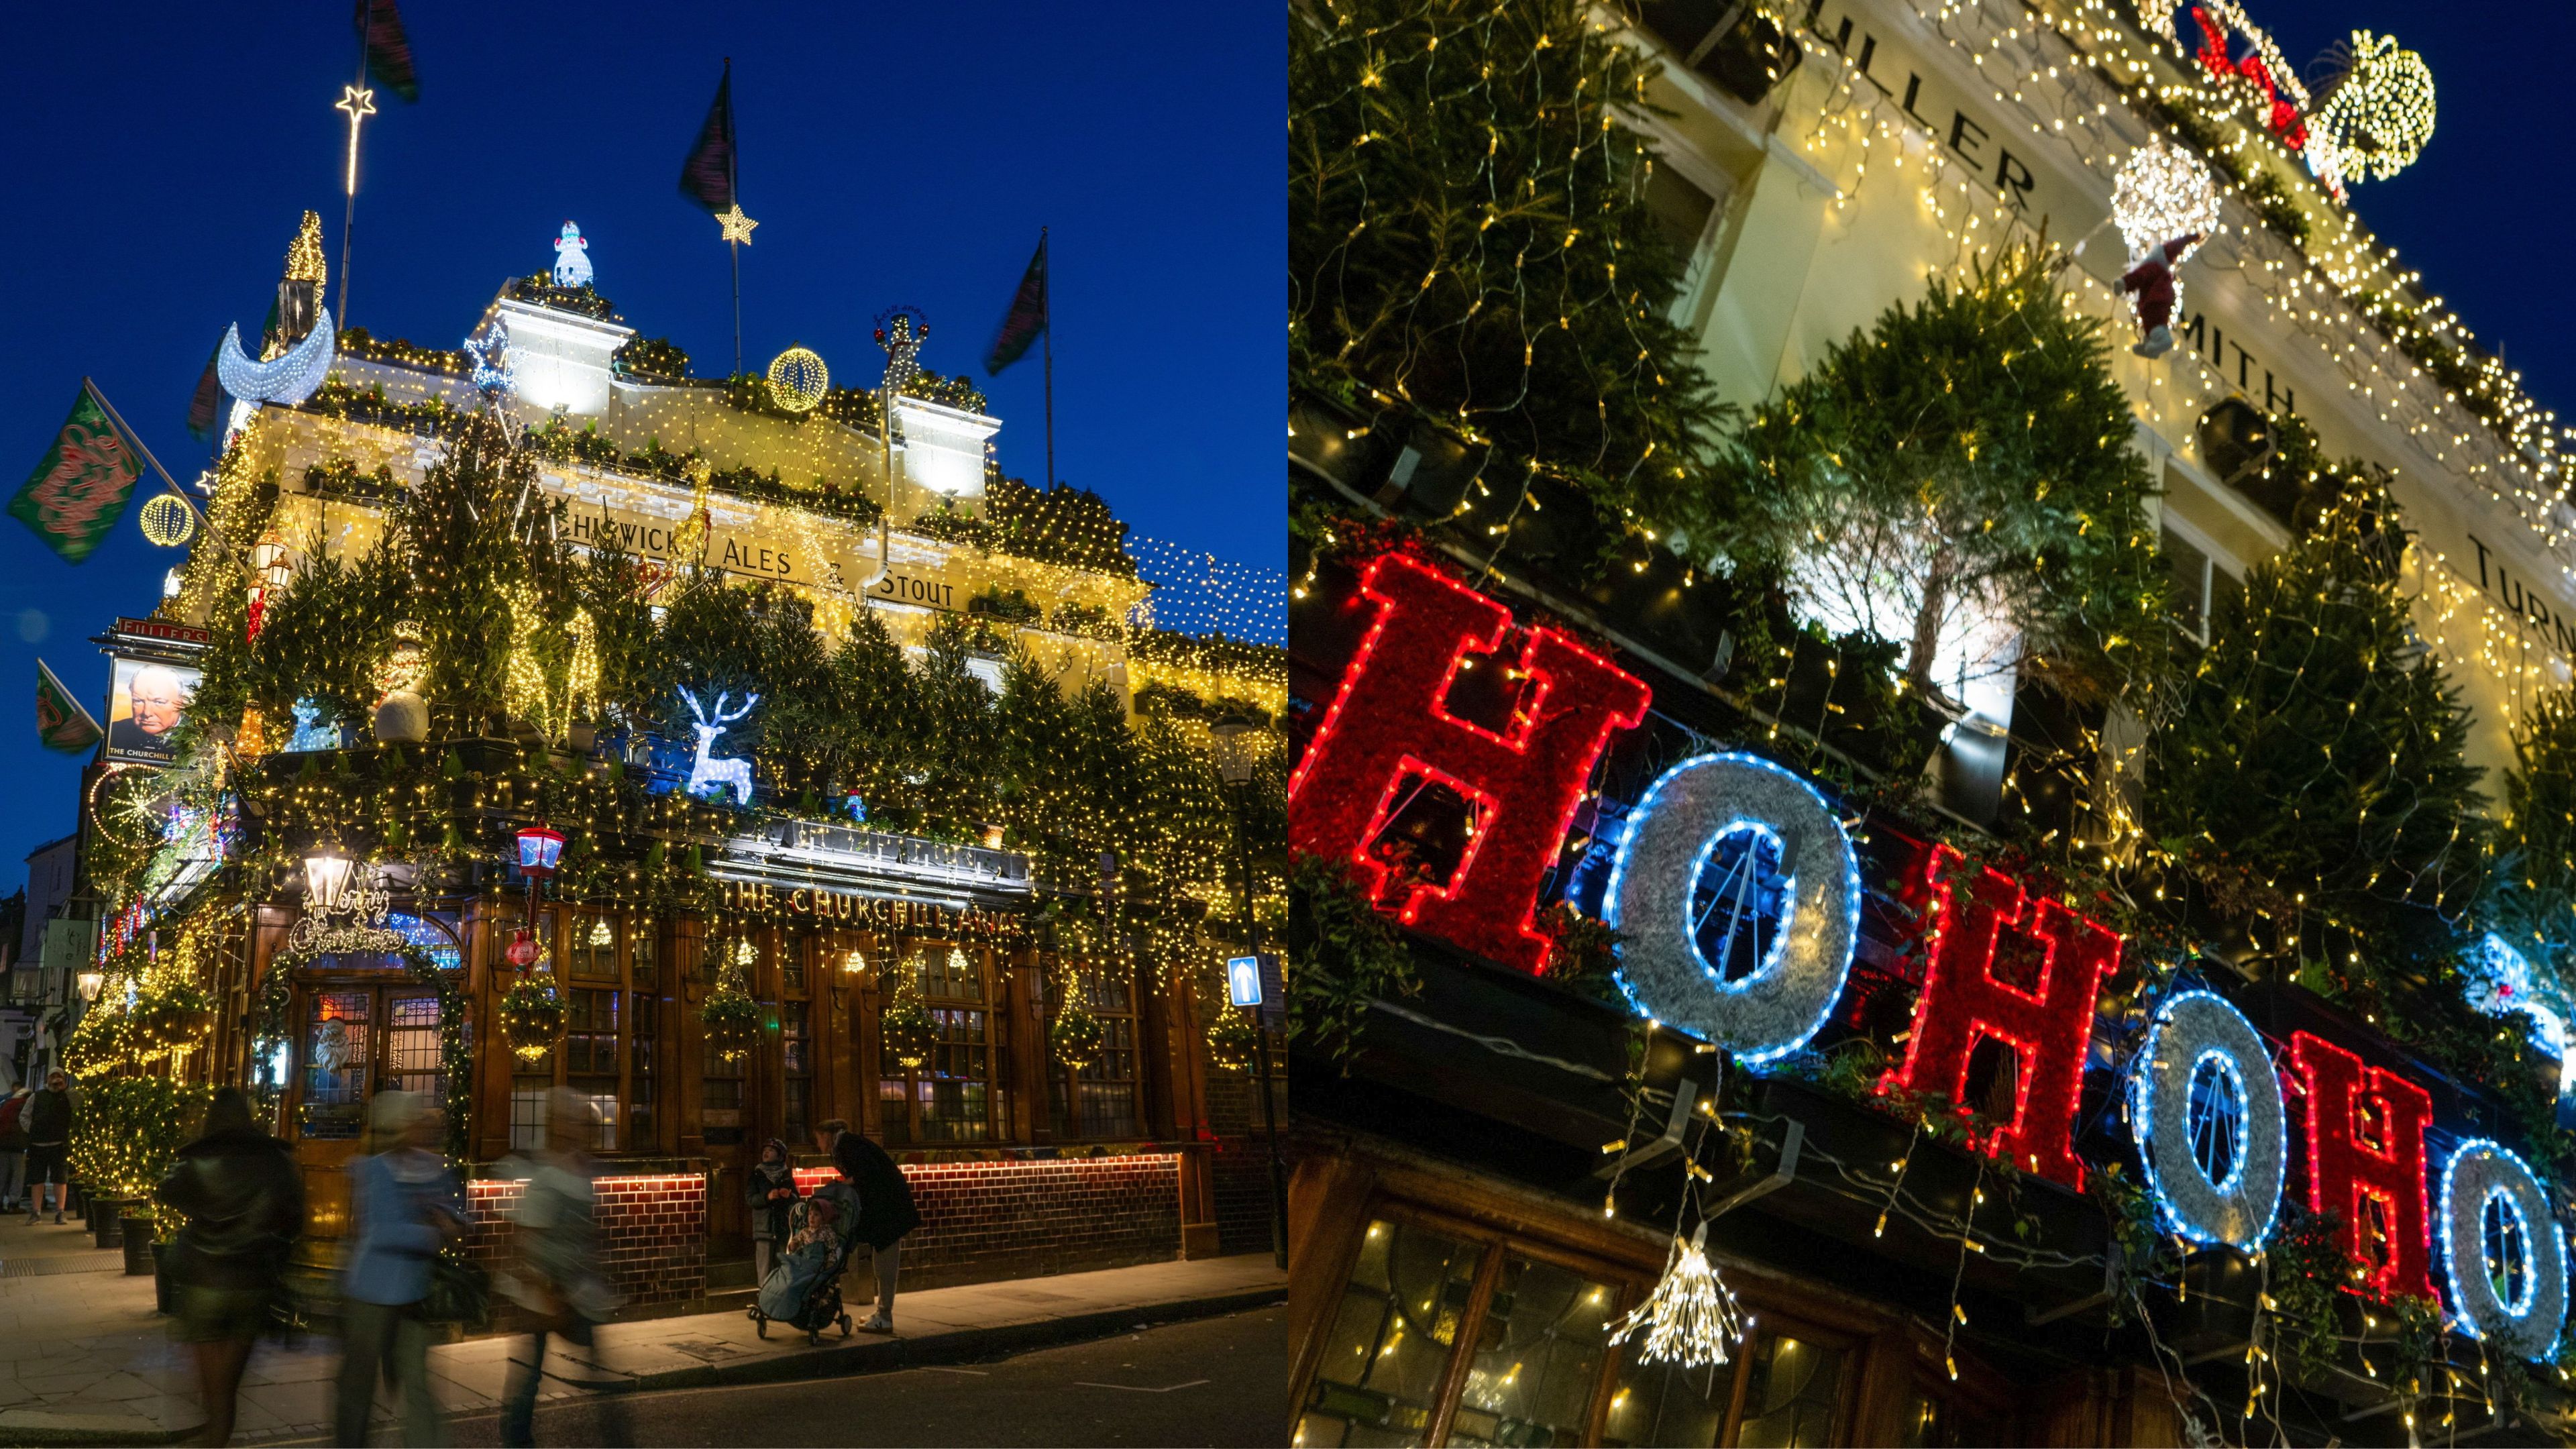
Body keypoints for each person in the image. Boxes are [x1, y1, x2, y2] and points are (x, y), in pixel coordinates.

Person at [156, 1087, 303, 1448]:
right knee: (227, 1384)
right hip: (252, 1282)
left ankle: (212, 1438)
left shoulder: (199, 1159)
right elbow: (296, 1214)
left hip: (204, 1280)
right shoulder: (274, 1160)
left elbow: (167, 1191)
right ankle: (215, 1437)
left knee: (215, 1387)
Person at [497, 1089, 629, 1448]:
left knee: (596, 1370)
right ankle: (515, 1437)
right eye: (571, 1120)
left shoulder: (582, 1165)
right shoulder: (543, 1170)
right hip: (545, 1290)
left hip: (580, 1286)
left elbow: (590, 1229)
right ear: (555, 1123)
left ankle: (617, 1439)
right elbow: (526, 1237)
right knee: (530, 1373)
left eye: (581, 1122)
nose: (578, 1128)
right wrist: (547, 1291)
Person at [335, 1091, 462, 1448]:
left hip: (414, 1296)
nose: (424, 1125)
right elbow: (380, 1232)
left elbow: (455, 1210)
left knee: (417, 1384)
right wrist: (433, 1232)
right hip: (371, 1294)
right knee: (359, 1386)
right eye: (415, 1120)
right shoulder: (374, 1169)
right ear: (396, 1126)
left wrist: (454, 1221)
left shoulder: (433, 1167)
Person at [817, 1131, 919, 1334]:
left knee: (885, 1265)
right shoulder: (846, 1145)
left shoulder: (847, 1145)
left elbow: (868, 1172)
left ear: (826, 1135)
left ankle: (885, 1316)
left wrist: (844, 1184)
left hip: (889, 1212)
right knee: (881, 1263)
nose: (817, 1144)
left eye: (818, 1138)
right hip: (884, 1211)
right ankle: (881, 1314)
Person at [745, 1138, 796, 1288]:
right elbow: (750, 1198)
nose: (766, 1153)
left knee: (782, 1265)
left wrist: (789, 1195)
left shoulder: (786, 1175)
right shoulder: (757, 1174)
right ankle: (764, 1298)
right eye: (765, 1151)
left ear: (780, 1156)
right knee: (764, 1268)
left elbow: (796, 1198)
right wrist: (767, 1197)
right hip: (764, 1228)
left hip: (782, 1227)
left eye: (771, 1151)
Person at [25, 1069, 74, 1224]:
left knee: (60, 1179)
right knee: (37, 1179)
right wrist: (32, 1129)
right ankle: (36, 1212)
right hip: (38, 1144)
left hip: (58, 1143)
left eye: (59, 1077)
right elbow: (24, 1115)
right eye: (53, 1076)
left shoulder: (67, 1096)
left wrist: (65, 1090)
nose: (56, 1080)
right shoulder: (37, 1096)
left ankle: (60, 1212)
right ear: (47, 1079)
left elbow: (79, 1103)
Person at [109, 665, 192, 755]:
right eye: (138, 701)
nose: (147, 713)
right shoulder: (114, 732)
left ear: (180, 703)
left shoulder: (200, 735)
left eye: (159, 702)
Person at [0, 1085, 31, 1214]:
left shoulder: (6, 1105)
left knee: (2, 1175)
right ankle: (14, 1204)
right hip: (18, 1146)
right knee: (17, 1176)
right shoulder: (27, 1106)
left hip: (2, 1144)